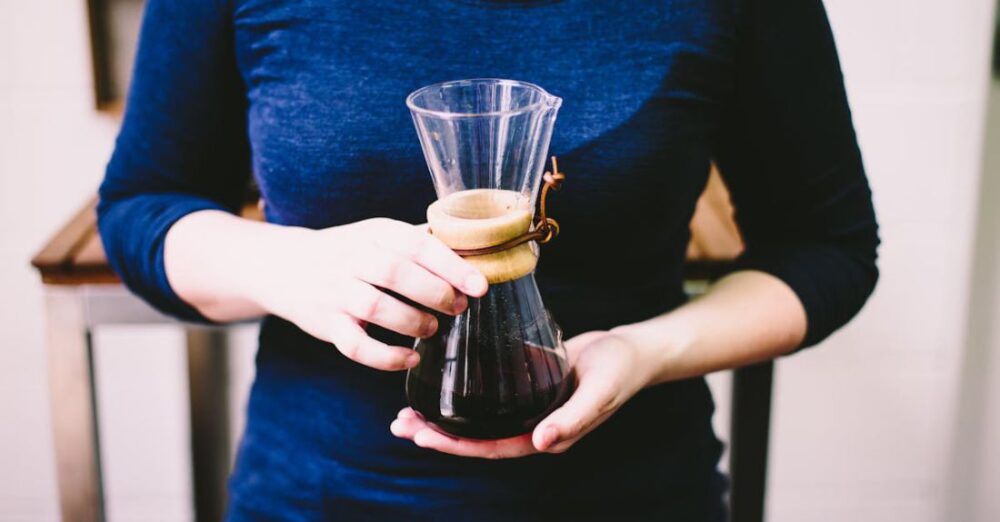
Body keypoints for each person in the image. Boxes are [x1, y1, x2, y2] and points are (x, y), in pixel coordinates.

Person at [97, 0, 880, 520]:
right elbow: (141, 206)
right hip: (320, 495)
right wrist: (287, 266)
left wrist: (643, 351)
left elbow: (829, 245)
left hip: (633, 494)